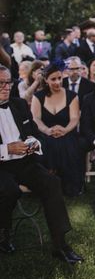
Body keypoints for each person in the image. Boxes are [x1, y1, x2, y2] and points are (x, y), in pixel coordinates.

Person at [0, 65, 83, 263]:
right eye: (0, 83)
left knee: (52, 183)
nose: (5, 87)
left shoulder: (19, 104)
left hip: (25, 162)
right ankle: (4, 233)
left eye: (8, 82)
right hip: (1, 166)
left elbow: (35, 134)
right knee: (9, 190)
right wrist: (7, 149)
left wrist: (33, 143)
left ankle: (60, 244)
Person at [30, 63, 83, 197]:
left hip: (67, 132)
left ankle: (69, 186)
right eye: (53, 79)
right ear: (46, 80)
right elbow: (35, 118)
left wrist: (65, 130)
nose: (58, 82)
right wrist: (47, 130)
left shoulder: (72, 96)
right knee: (46, 144)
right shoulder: (38, 97)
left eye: (59, 78)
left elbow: (74, 118)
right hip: (44, 132)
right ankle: (47, 186)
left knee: (67, 145)